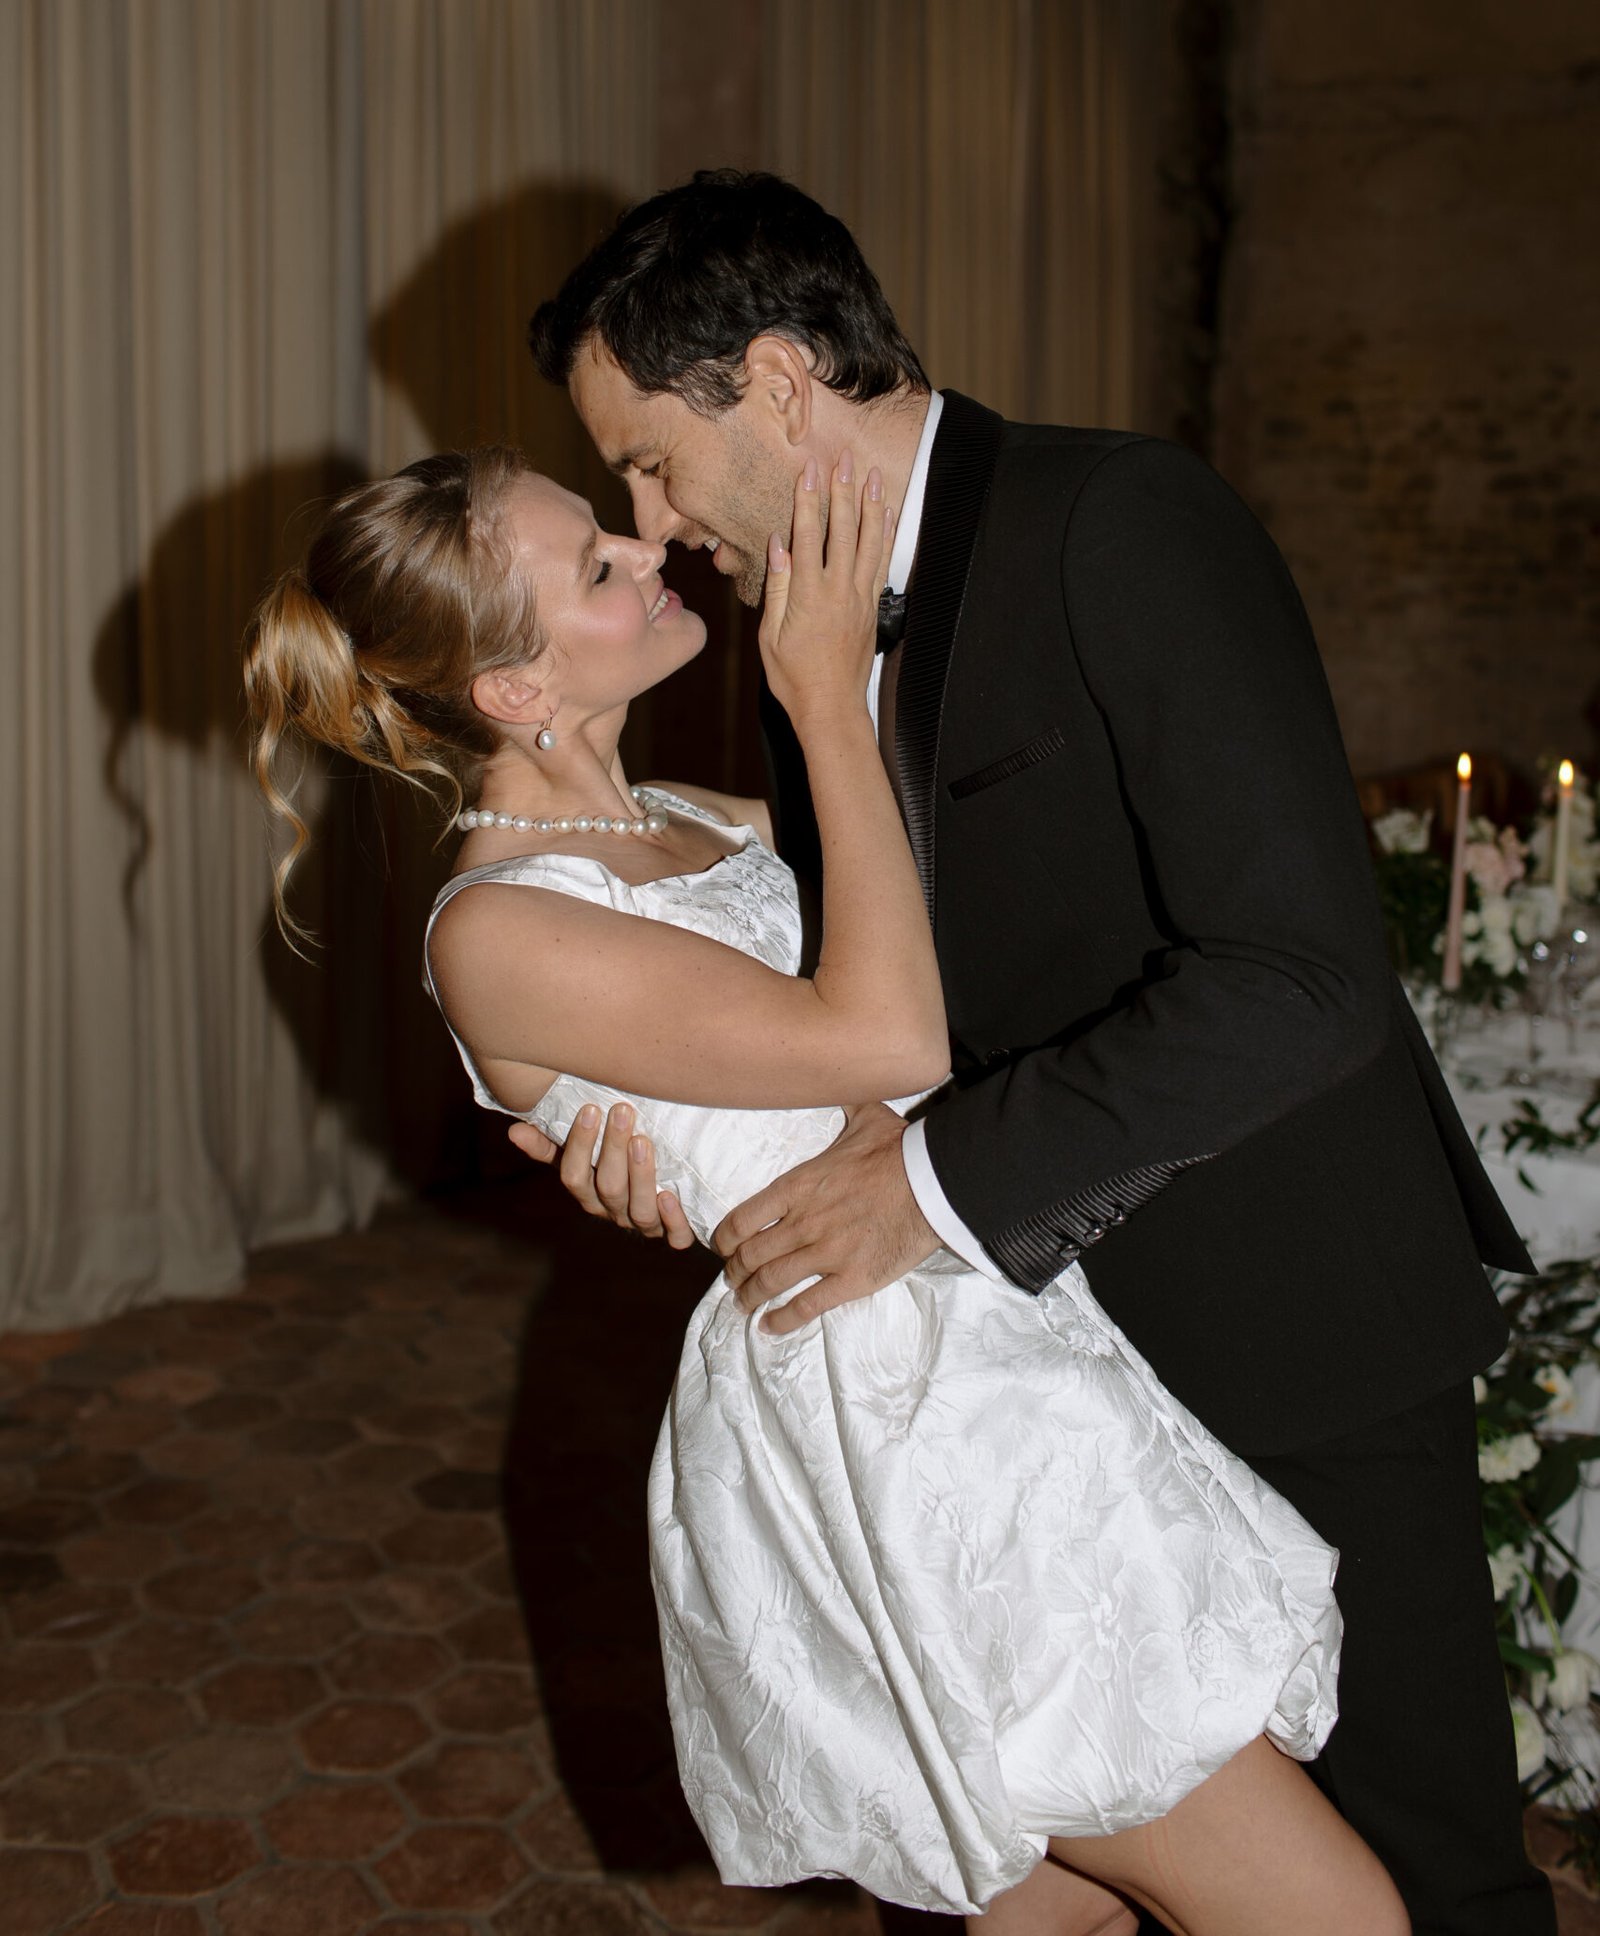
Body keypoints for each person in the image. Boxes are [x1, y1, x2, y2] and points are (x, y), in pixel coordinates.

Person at [524, 168, 1553, 1936]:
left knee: (1423, 1874)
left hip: (1283, 1308)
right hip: (1042, 1383)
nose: (656, 518)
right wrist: (681, 1124)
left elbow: (1303, 980)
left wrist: (927, 1186)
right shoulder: (802, 637)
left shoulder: (1123, 522)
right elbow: (876, 980)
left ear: (776, 386)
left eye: (649, 461)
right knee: (1078, 1875)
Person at [243, 442, 1405, 1936]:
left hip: (968, 1322)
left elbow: (928, 911)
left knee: (1062, 1907)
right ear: (515, 694)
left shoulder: (675, 815)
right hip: (904, 1404)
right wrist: (820, 699)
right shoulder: (496, 926)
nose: (646, 550)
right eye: (597, 568)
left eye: (614, 528)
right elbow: (889, 1031)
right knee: (1333, 1917)